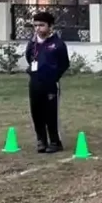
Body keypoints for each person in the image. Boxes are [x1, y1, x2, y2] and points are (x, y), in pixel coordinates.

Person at [25, 11, 69, 153]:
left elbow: (64, 63)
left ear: (50, 26)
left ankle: (55, 141)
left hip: (50, 84)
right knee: (36, 112)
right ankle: (41, 140)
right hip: (35, 82)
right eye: (35, 25)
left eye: (41, 25)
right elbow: (29, 57)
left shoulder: (58, 44)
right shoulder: (32, 43)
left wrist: (54, 76)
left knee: (50, 112)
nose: (38, 28)